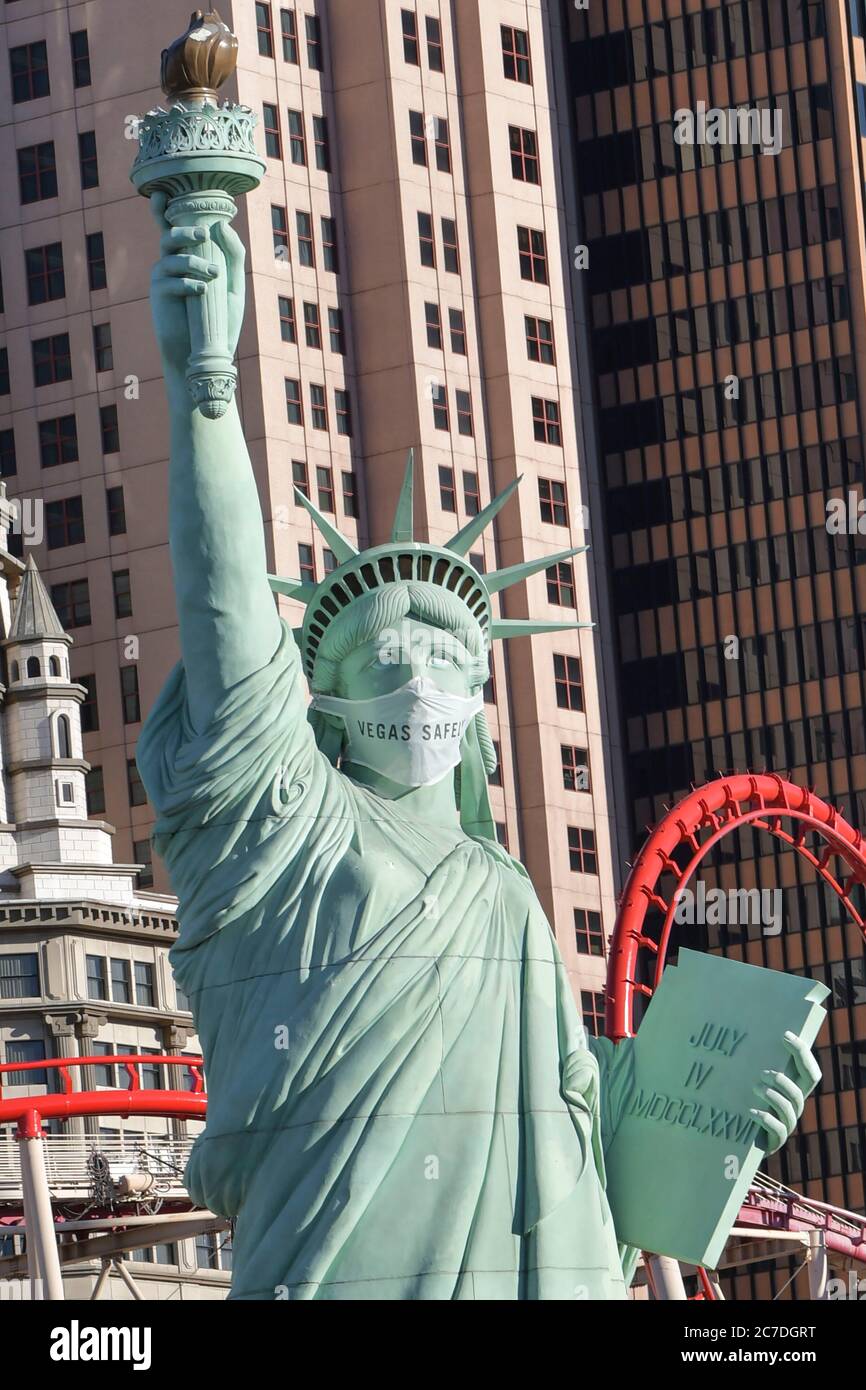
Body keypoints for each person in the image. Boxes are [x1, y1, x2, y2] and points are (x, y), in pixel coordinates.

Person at [138, 192, 818, 1300]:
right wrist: (203, 384)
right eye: (387, 659)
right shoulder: (288, 833)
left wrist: (717, 1099)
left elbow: (579, 1115)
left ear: (479, 713)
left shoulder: (502, 885)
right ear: (323, 699)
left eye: (452, 663)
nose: (420, 683)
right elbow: (222, 609)